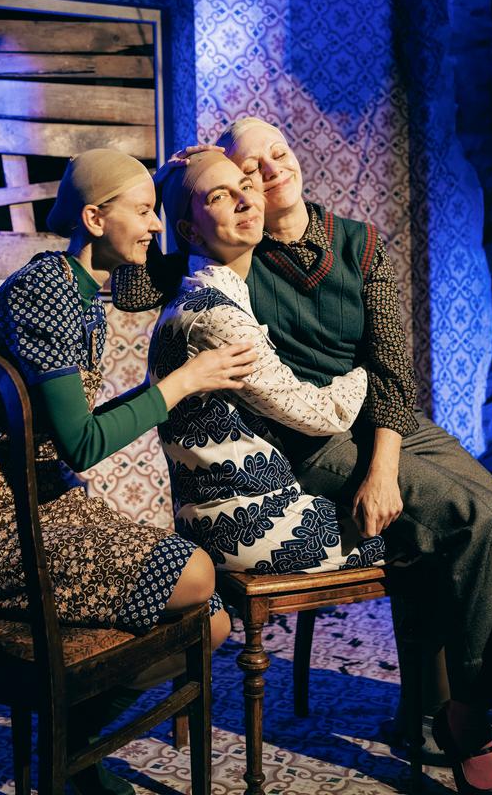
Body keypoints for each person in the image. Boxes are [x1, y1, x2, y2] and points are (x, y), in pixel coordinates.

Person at [113, 121, 492, 795]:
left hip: (386, 422)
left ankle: (438, 707)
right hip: (312, 443)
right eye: (247, 170)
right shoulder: (239, 250)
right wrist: (169, 180)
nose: (268, 173)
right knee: (477, 522)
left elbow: (390, 368)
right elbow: (130, 288)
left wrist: (383, 467)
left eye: (279, 154)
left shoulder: (359, 243)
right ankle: (467, 719)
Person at [0, 148, 252, 795]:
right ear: (93, 218)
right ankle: (72, 753)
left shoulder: (80, 292)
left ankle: (73, 746)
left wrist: (179, 381)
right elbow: (82, 445)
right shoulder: (47, 292)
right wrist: (182, 382)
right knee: (198, 573)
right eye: (143, 212)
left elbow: (69, 433)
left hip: (44, 499)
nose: (155, 226)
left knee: (216, 621)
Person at [147, 151, 386, 574]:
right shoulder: (217, 318)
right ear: (189, 230)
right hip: (251, 524)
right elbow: (322, 414)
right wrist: (369, 367)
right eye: (220, 196)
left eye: (246, 187)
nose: (245, 201)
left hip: (218, 517)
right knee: (414, 532)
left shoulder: (199, 295)